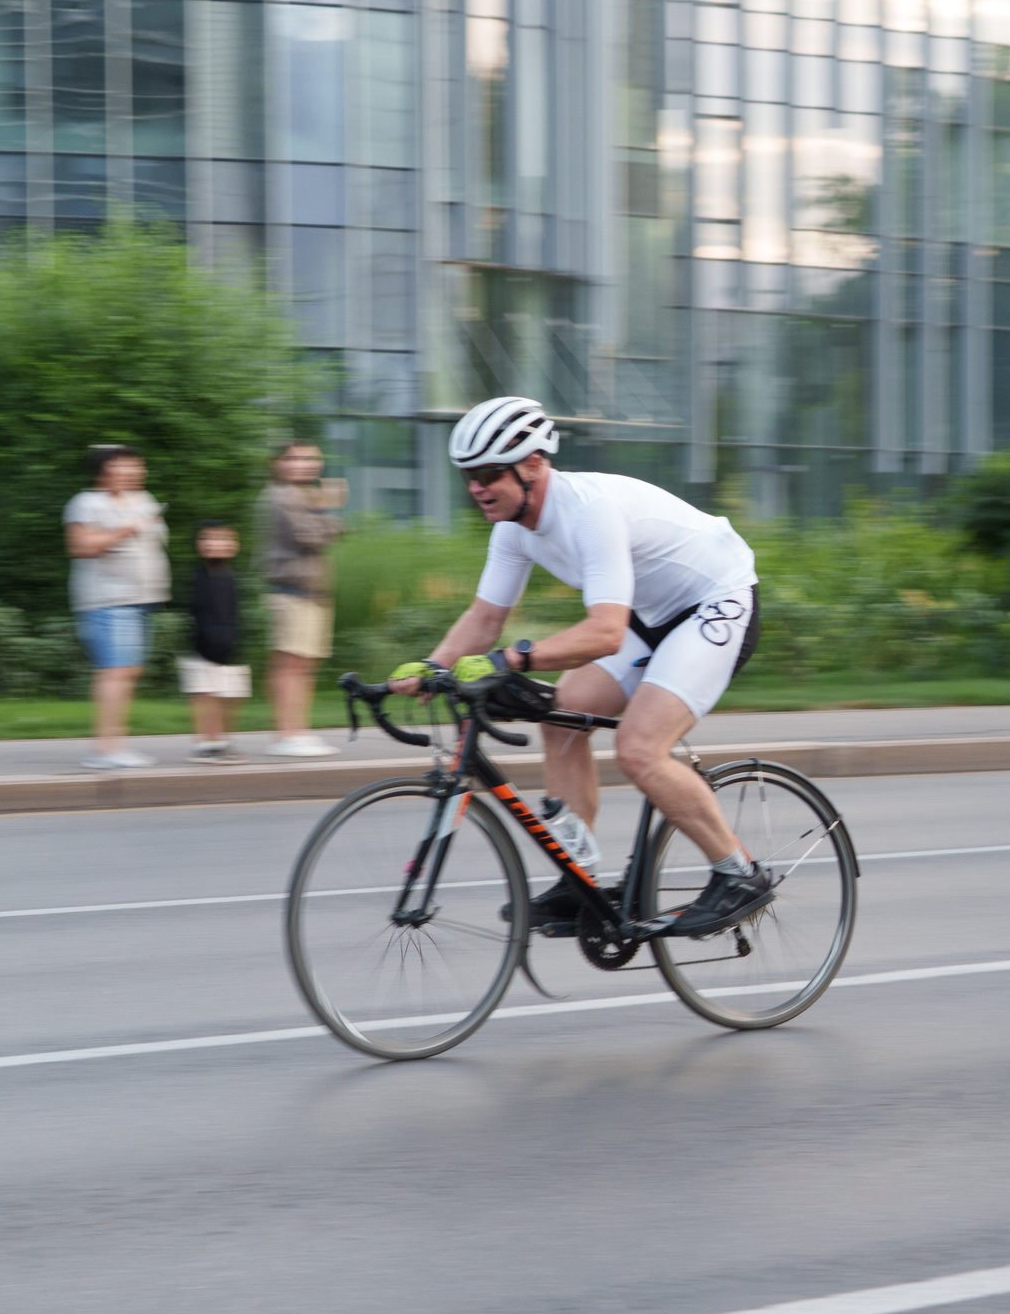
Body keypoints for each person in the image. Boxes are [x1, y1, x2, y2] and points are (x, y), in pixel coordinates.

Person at [406, 395, 771, 939]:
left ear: (533, 466)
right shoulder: (512, 527)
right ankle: (580, 882)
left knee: (640, 749)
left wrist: (513, 659)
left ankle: (738, 873)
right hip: (649, 616)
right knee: (562, 717)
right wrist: (427, 670)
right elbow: (484, 618)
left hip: (716, 600)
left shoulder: (589, 511)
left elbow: (602, 632)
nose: (477, 488)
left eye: (488, 474)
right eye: (469, 476)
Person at [63, 443, 168, 770]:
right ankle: (105, 749)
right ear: (103, 470)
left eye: (136, 465)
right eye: (123, 465)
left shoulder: (144, 499)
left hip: (141, 601)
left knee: (128, 672)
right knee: (114, 672)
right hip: (107, 601)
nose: (133, 471)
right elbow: (81, 546)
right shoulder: (86, 502)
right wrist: (127, 528)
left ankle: (116, 745)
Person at [258, 439, 346, 758]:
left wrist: (325, 516)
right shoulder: (282, 496)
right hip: (291, 590)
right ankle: (287, 734)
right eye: (294, 459)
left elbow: (334, 530)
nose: (304, 464)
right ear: (279, 464)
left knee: (304, 665)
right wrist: (328, 509)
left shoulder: (303, 496)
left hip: (310, 591)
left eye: (311, 458)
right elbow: (312, 536)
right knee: (290, 664)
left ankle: (298, 731)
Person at [181, 520, 251, 763]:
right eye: (207, 538)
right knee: (207, 695)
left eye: (222, 539)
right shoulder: (200, 577)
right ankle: (206, 743)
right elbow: (197, 613)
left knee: (231, 695)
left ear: (234, 545)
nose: (214, 544)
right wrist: (206, 644)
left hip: (228, 645)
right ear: (200, 545)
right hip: (205, 647)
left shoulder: (230, 577)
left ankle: (222, 741)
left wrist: (231, 640)